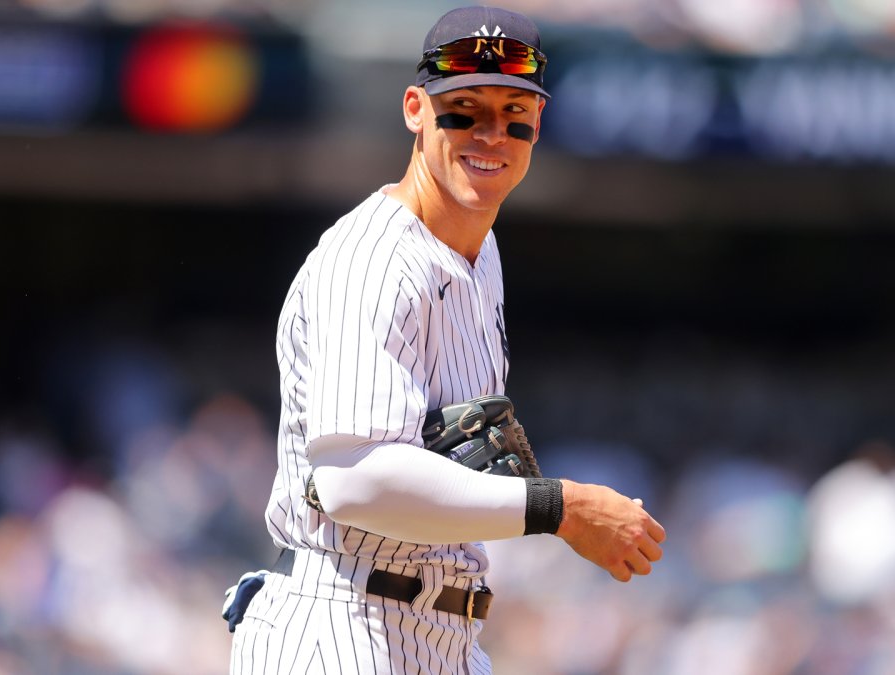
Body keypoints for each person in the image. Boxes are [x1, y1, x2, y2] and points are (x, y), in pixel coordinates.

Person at [228, 6, 666, 674]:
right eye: (463, 107)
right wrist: (562, 507)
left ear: (537, 124)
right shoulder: (373, 258)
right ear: (415, 109)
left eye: (513, 111)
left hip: (438, 632)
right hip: (342, 621)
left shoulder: (479, 252)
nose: (491, 133)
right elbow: (355, 477)